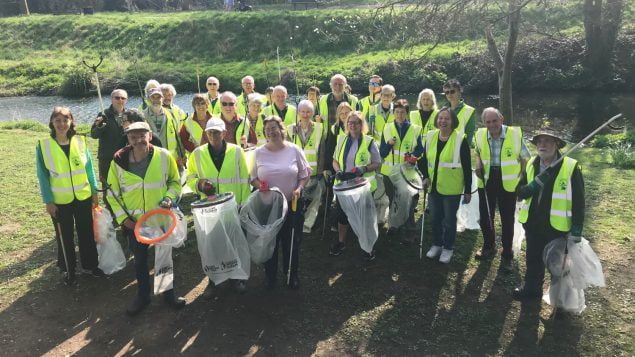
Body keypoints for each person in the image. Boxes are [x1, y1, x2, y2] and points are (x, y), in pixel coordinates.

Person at [106, 121, 184, 315]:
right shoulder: (117, 162)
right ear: (128, 139)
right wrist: (124, 220)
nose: (139, 139)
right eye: (133, 136)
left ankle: (168, 294)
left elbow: (175, 182)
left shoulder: (164, 156)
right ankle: (143, 295)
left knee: (164, 258)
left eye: (142, 135)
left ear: (150, 135)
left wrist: (169, 198)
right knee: (139, 261)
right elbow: (112, 194)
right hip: (135, 224)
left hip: (161, 219)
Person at [513, 129, 585, 301]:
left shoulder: (570, 167)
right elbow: (520, 192)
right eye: (539, 142)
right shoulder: (531, 164)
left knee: (558, 266)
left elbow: (579, 203)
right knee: (533, 260)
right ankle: (532, 291)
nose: (542, 145)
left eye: (547, 141)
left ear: (557, 145)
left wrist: (576, 232)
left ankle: (561, 302)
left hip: (558, 227)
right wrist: (533, 186)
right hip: (533, 223)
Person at [36, 107, 103, 285]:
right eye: (57, 120)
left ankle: (91, 266)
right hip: (60, 201)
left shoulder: (80, 141)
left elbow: (88, 169)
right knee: (64, 236)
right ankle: (69, 270)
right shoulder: (44, 146)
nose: (61, 124)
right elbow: (42, 176)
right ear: (52, 122)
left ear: (71, 122)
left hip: (83, 197)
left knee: (86, 232)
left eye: (65, 120)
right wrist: (48, 201)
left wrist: (94, 192)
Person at [186, 117, 252, 297]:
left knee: (235, 242)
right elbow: (190, 177)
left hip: (232, 208)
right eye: (210, 132)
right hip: (209, 209)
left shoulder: (237, 151)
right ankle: (214, 280)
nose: (214, 135)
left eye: (217, 132)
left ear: (225, 133)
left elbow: (245, 179)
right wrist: (199, 184)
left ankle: (237, 277)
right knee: (212, 246)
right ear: (206, 134)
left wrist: (243, 204)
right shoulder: (197, 154)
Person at [250, 116, 311, 289]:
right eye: (268, 129)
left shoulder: (294, 149)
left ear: (281, 129)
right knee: (270, 241)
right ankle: (270, 276)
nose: (271, 132)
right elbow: (252, 178)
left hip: (292, 204)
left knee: (291, 241)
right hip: (268, 206)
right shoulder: (258, 152)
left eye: (274, 128)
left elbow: (304, 175)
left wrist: (299, 188)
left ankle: (291, 274)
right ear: (265, 133)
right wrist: (259, 186)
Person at [473, 107, 531, 271]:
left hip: (508, 181)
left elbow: (526, 157)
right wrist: (477, 162)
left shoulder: (514, 134)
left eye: (495, 121)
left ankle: (507, 254)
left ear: (502, 119)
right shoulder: (479, 135)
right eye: (488, 122)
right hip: (486, 179)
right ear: (484, 123)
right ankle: (488, 247)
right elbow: (477, 151)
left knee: (507, 219)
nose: (492, 125)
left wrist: (522, 176)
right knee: (485, 216)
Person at [420, 107, 472, 264]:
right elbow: (422, 160)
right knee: (435, 218)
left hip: (452, 189)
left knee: (449, 221)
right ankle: (437, 244)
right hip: (433, 186)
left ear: (453, 121)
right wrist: (425, 176)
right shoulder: (430, 136)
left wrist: (468, 189)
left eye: (446, 119)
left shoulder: (460, 140)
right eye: (440, 118)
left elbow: (467, 166)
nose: (443, 121)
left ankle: (448, 247)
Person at [330, 111, 381, 260]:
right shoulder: (341, 140)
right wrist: (338, 170)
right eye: (349, 123)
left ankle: (368, 247)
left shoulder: (370, 141)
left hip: (362, 187)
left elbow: (377, 163)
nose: (352, 125)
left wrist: (363, 169)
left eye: (356, 123)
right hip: (343, 186)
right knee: (342, 215)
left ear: (361, 125)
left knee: (364, 217)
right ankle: (341, 242)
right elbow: (334, 160)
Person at [379, 99, 424, 234]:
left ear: (407, 113)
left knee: (407, 201)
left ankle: (409, 229)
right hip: (389, 172)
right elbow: (382, 152)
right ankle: (394, 225)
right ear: (393, 113)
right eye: (397, 112)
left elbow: (420, 149)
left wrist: (413, 155)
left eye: (402, 112)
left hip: (407, 172)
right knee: (393, 200)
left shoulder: (415, 129)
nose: (399, 115)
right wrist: (388, 144)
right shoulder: (387, 128)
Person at [287, 100, 324, 232]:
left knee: (315, 200)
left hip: (314, 173)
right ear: (298, 113)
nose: (305, 114)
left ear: (313, 113)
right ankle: (295, 221)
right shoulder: (290, 129)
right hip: (296, 173)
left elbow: (322, 151)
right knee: (296, 199)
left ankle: (307, 224)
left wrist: (321, 172)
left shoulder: (319, 128)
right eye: (302, 111)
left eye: (308, 111)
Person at [90, 89, 129, 188]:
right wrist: (100, 127)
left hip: (125, 156)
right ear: (112, 99)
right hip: (107, 158)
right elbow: (94, 135)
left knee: (125, 185)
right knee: (108, 186)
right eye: (117, 97)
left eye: (123, 98)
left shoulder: (129, 115)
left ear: (126, 100)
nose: (120, 100)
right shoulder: (103, 114)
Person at [143, 88, 186, 170]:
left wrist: (182, 155)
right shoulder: (142, 116)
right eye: (153, 97)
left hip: (171, 158)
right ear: (148, 99)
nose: (156, 100)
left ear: (162, 99)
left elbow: (177, 136)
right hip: (150, 159)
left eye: (158, 97)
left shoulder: (171, 114)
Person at [442, 79, 476, 144]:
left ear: (459, 91)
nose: (449, 94)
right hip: (444, 149)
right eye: (447, 92)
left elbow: (469, 136)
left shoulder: (469, 111)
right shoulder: (443, 110)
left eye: (452, 91)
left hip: (460, 149)